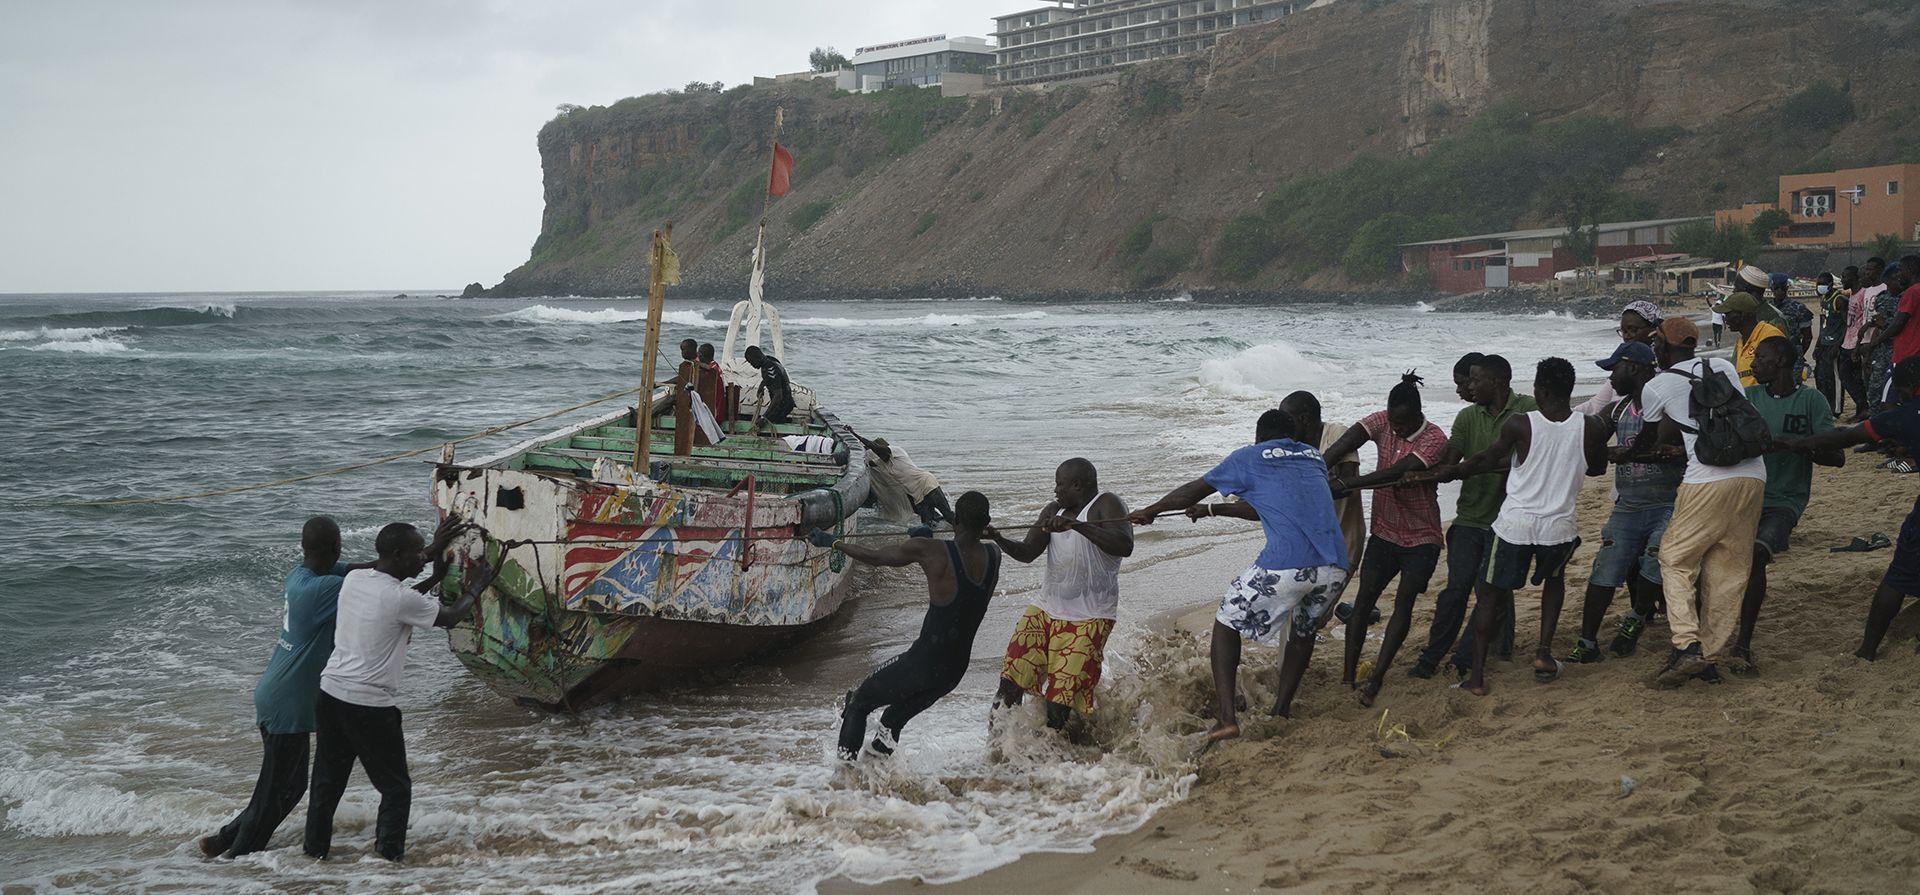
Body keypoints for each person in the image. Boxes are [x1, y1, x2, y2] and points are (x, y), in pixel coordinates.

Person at [197, 518, 420, 859]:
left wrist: (422, 557)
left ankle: (224, 840)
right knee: (278, 791)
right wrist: (428, 555)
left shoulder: (301, 577)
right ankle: (235, 860)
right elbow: (384, 581)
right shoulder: (325, 589)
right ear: (336, 547)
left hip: (279, 692)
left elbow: (371, 568)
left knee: (287, 786)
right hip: (289, 701)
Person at [1130, 408, 1350, 749]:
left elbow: (1192, 490)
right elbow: (1265, 506)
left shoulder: (1248, 457)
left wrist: (1151, 511)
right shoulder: (1312, 457)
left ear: (1259, 437)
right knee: (1303, 633)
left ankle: (1227, 718)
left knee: (1226, 621)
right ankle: (1281, 709)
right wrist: (1214, 511)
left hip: (1288, 565)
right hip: (1336, 566)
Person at [302, 522, 498, 862]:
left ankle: (313, 854)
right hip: (370, 706)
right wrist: (476, 587)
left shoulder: (355, 580)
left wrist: (435, 573)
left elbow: (399, 601)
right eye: (416, 553)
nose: (421, 559)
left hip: (331, 694)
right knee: (395, 789)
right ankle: (387, 860)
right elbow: (450, 617)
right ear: (396, 555)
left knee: (326, 785)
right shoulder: (400, 598)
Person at [1625, 317, 1767, 688]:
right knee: (1729, 570)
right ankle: (1707, 654)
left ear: (1663, 347)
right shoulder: (1721, 366)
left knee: (1674, 559)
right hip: (1753, 475)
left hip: (1707, 479)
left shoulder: (1657, 385)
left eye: (1656, 342)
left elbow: (1653, 436)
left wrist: (1626, 455)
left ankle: (1686, 644)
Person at [1450, 358, 1607, 694]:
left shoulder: (1521, 424)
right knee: (1554, 584)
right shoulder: (1591, 426)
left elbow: (1489, 458)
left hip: (1515, 525)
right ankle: (1543, 655)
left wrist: (1453, 472)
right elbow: (1596, 470)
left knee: (1490, 596)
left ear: (1542, 389)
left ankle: (1476, 679)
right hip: (1559, 527)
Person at [821, 492, 1000, 760]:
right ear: (986, 521)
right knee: (892, 719)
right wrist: (925, 541)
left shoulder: (930, 550)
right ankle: (875, 774)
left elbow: (877, 557)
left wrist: (834, 543)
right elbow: (958, 558)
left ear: (956, 519)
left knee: (858, 703)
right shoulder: (994, 555)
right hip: (954, 672)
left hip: (923, 663)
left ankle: (843, 778)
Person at [1321, 373, 1449, 706]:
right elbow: (1346, 443)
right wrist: (1319, 468)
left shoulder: (1434, 438)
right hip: (1384, 532)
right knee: (1363, 602)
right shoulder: (1383, 421)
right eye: (1393, 422)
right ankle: (1349, 676)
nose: (1396, 429)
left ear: (1419, 415)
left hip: (1422, 538)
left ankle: (1376, 678)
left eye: (1404, 424)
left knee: (1403, 603)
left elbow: (1394, 474)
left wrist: (1350, 485)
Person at [1781, 357, 1920, 659]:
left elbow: (1848, 436)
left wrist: (1803, 443)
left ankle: (1867, 651)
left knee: (1898, 578)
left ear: (1911, 389)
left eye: (1902, 392)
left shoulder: (1905, 417)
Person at [1409, 354, 1531, 679]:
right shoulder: (1466, 417)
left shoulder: (1529, 409)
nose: (1469, 387)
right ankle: (1431, 658)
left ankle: (1465, 658)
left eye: (1475, 381)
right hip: (1469, 518)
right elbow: (1451, 460)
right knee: (1456, 589)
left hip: (1510, 521)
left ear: (1497, 382)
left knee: (1491, 591)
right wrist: (1423, 470)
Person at [990, 459, 1133, 730]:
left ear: (1077, 485)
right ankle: (997, 750)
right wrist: (998, 537)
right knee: (1010, 682)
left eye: (1059, 484)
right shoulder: (1053, 510)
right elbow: (1027, 553)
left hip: (1090, 617)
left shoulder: (1108, 504)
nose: (1055, 491)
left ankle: (1058, 760)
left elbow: (1124, 545)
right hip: (1045, 610)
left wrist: (1076, 525)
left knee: (1058, 704)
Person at [1568, 342, 1680, 664]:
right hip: (1628, 505)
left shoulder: (1668, 404)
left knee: (1654, 560)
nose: (1610, 378)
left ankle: (1636, 617)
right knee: (1605, 567)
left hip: (1669, 504)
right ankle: (1587, 642)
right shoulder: (1618, 409)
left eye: (1613, 370)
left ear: (1634, 367)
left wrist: (1636, 452)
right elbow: (1592, 441)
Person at [1734, 336, 1842, 671]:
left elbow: (1836, 456)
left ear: (1779, 361)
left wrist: (1797, 445)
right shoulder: (1747, 398)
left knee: (1757, 555)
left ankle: (1742, 645)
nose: (1753, 364)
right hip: (1744, 495)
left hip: (1785, 501)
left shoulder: (1812, 401)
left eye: (1760, 358)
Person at [1574, 301, 1662, 417]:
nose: (1627, 336)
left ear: (1654, 330)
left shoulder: (1665, 371)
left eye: (1633, 329)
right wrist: (1559, 416)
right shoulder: (1623, 368)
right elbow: (1595, 406)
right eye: (1624, 331)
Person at [857, 434, 954, 526]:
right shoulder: (881, 462)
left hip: (926, 483)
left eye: (879, 451)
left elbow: (875, 447)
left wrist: (855, 434)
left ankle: (965, 528)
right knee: (927, 525)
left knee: (947, 515)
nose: (879, 453)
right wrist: (860, 449)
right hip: (917, 495)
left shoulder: (896, 451)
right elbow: (867, 463)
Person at [1865, 264, 1912, 412]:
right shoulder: (1882, 298)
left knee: (1900, 392)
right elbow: (1878, 327)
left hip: (1902, 352)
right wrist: (1871, 349)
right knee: (1875, 389)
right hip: (1883, 352)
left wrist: (1884, 325)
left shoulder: (1908, 297)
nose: (1890, 286)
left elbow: (1899, 325)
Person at [1718, 292, 1789, 388]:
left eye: (1728, 314)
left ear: (1743, 315)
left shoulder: (1769, 335)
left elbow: (1780, 376)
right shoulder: (1741, 342)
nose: (1726, 320)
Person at [1814, 272, 1849, 412]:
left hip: (1834, 344)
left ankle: (1836, 409)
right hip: (1824, 343)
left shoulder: (1839, 300)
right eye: (1818, 284)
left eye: (1822, 284)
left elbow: (1848, 325)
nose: (1819, 287)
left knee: (1834, 377)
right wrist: (1818, 344)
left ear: (1830, 284)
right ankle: (1825, 406)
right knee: (1821, 376)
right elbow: (1823, 323)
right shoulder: (1823, 298)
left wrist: (1838, 345)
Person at [743, 345, 796, 427]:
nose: (752, 365)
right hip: (789, 402)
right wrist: (762, 385)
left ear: (757, 357)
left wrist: (764, 418)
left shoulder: (768, 368)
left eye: (751, 362)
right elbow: (776, 379)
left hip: (782, 405)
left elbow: (778, 396)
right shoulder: (771, 360)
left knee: (769, 423)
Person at [1771, 272, 1815, 357]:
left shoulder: (1798, 308)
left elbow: (1808, 337)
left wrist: (1799, 355)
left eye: (1782, 288)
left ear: (1787, 288)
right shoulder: (1767, 308)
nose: (1779, 291)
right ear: (1771, 288)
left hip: (1792, 355)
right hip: (1772, 355)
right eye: (1776, 288)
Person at [697, 342, 726, 419]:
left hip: (715, 412)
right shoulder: (715, 365)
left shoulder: (712, 370)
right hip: (715, 407)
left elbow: (708, 369)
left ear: (700, 355)